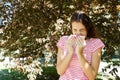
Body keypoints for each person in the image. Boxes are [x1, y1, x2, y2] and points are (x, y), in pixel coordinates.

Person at [56, 11, 105, 80]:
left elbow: (92, 76)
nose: (78, 33)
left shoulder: (95, 43)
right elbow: (60, 71)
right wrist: (70, 52)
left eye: (82, 30)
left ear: (88, 29)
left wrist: (80, 53)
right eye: (75, 30)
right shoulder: (64, 40)